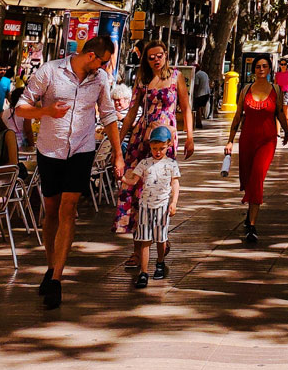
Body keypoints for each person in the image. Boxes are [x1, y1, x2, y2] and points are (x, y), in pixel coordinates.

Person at [17, 34, 123, 310]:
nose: (102, 68)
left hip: (82, 149)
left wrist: (118, 153)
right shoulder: (50, 71)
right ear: (91, 56)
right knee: (51, 209)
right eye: (102, 62)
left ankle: (57, 278)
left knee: (69, 206)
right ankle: (51, 266)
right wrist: (46, 112)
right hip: (50, 150)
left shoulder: (100, 80)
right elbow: (21, 107)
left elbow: (109, 114)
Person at [115, 40, 194, 264]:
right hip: (142, 137)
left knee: (158, 189)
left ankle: (160, 239)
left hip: (166, 139)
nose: (156, 60)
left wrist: (190, 137)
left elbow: (186, 107)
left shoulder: (176, 76)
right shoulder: (143, 80)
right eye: (151, 57)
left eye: (159, 56)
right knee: (134, 189)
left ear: (166, 56)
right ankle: (138, 250)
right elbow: (132, 112)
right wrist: (119, 143)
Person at [225, 53, 288, 245]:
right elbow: (237, 116)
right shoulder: (245, 89)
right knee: (247, 178)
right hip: (247, 140)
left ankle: (252, 226)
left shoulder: (276, 89)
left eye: (264, 66)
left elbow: (279, 112)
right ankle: (250, 212)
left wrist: (286, 131)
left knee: (257, 177)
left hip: (267, 140)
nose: (261, 69)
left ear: (270, 69)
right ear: (254, 70)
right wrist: (230, 141)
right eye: (258, 67)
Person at [123, 125, 181, 289]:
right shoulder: (145, 163)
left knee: (161, 239)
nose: (157, 152)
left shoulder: (171, 164)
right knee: (145, 240)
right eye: (155, 148)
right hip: (145, 206)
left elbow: (175, 184)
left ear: (168, 145)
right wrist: (122, 179)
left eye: (161, 148)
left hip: (162, 206)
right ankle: (144, 271)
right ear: (150, 147)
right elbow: (134, 180)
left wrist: (174, 202)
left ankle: (160, 262)